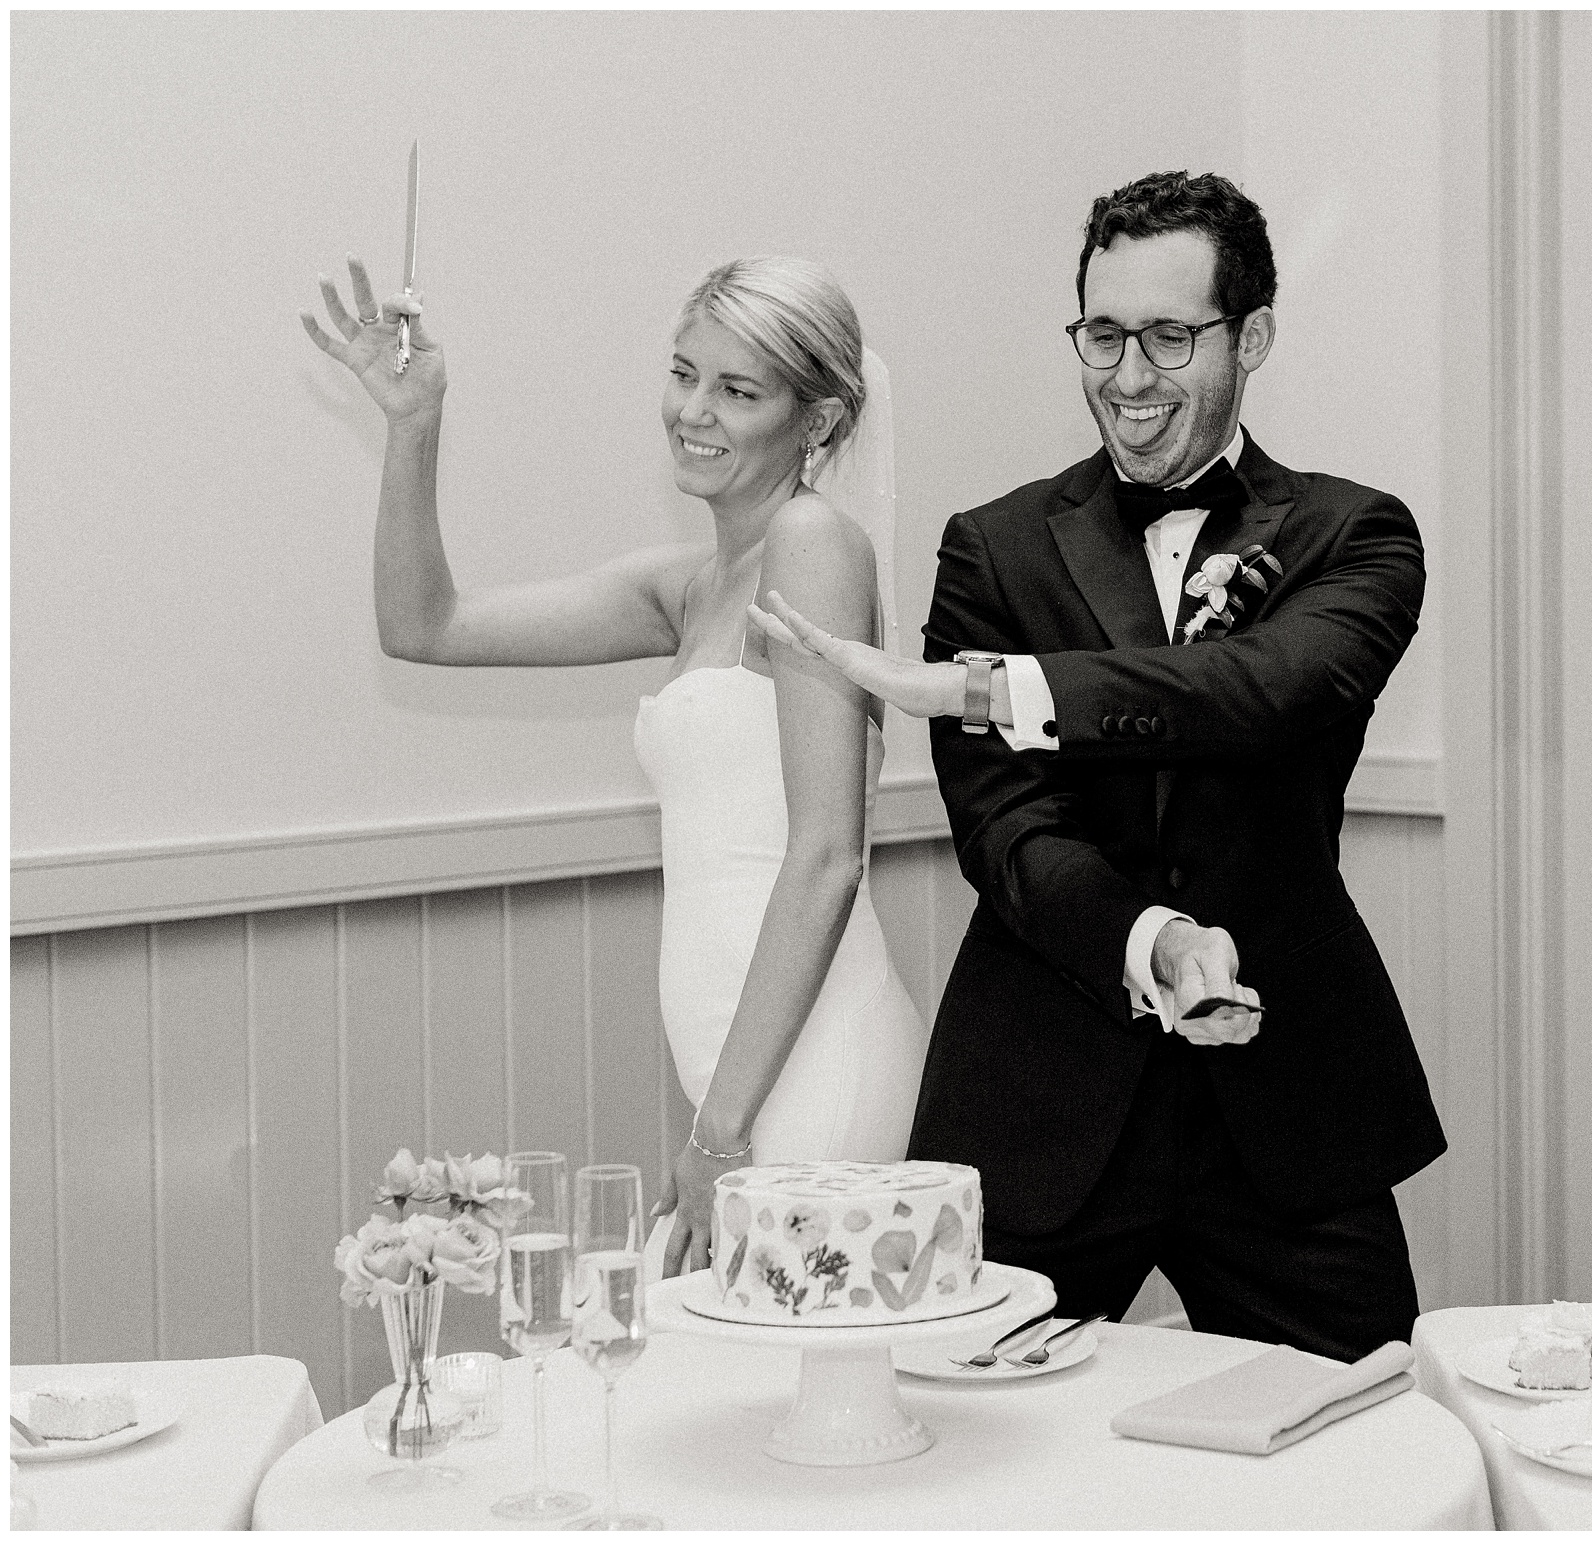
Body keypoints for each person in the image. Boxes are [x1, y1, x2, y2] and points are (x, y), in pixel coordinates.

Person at [753, 171, 1446, 1360]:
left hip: (1280, 1105)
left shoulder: (1355, 532)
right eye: (1102, 333)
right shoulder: (994, 545)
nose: (1127, 378)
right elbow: (1007, 834)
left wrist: (994, 687)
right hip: (1041, 1089)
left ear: (1253, 335)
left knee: (1362, 1432)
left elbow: (1258, 692)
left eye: (1170, 336)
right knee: (973, 1444)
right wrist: (1151, 941)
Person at [300, 253, 929, 1279]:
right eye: (684, 372)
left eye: (738, 390)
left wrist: (718, 1134)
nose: (692, 410)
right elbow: (424, 625)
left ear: (814, 422)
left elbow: (825, 856)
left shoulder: (813, 541)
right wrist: (415, 423)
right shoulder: (688, 586)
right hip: (736, 1071)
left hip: (812, 1063)